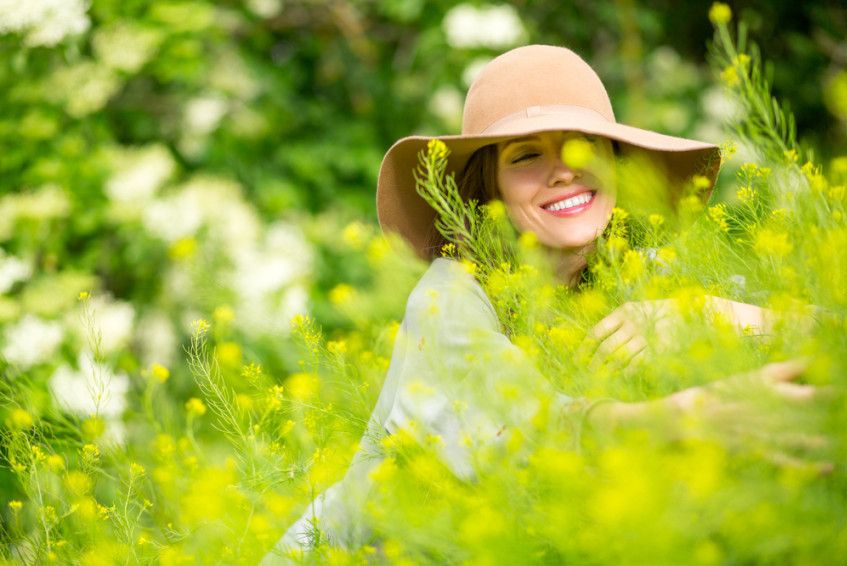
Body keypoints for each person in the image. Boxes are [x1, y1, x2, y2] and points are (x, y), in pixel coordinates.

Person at [262, 44, 815, 563]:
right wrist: (679, 421)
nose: (564, 170)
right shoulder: (451, 296)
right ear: (490, 187)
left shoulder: (635, 280)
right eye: (527, 156)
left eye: (584, 145)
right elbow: (526, 436)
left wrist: (721, 315)